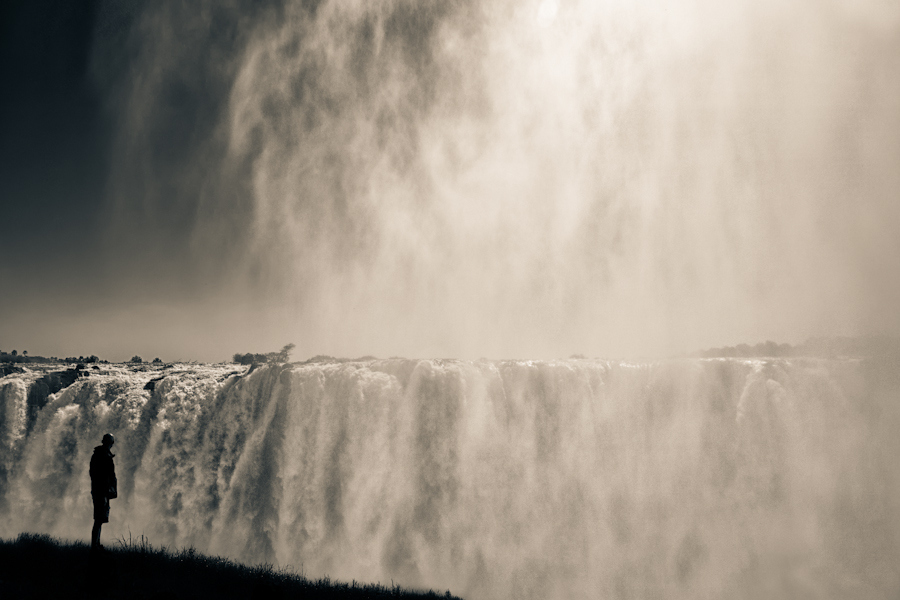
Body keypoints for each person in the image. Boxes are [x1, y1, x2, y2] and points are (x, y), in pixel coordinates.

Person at [89, 433, 117, 551]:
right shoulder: (103, 456)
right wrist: (106, 490)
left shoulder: (98, 455)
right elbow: (104, 476)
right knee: (99, 519)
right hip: (101, 491)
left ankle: (96, 543)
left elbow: (93, 474)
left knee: (100, 519)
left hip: (100, 490)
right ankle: (94, 545)